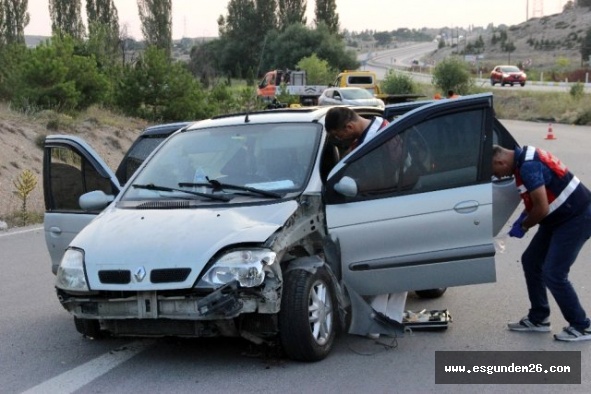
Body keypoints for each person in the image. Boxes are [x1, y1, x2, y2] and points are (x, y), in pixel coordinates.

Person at [492, 144, 591, 341]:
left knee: (554, 272)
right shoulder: (524, 158)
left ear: (501, 162)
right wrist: (523, 216)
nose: (498, 177)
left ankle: (581, 326)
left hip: (577, 217)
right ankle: (539, 318)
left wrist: (525, 225)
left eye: (495, 172)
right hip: (559, 217)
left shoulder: (528, 167)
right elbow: (538, 198)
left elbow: (542, 208)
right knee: (531, 260)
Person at [325, 106, 407, 339]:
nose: (339, 141)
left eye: (339, 135)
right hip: (390, 208)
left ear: (349, 127)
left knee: (389, 268)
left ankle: (381, 321)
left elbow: (381, 178)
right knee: (395, 268)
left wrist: (356, 184)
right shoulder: (376, 132)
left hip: (388, 210)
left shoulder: (378, 140)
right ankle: (388, 321)